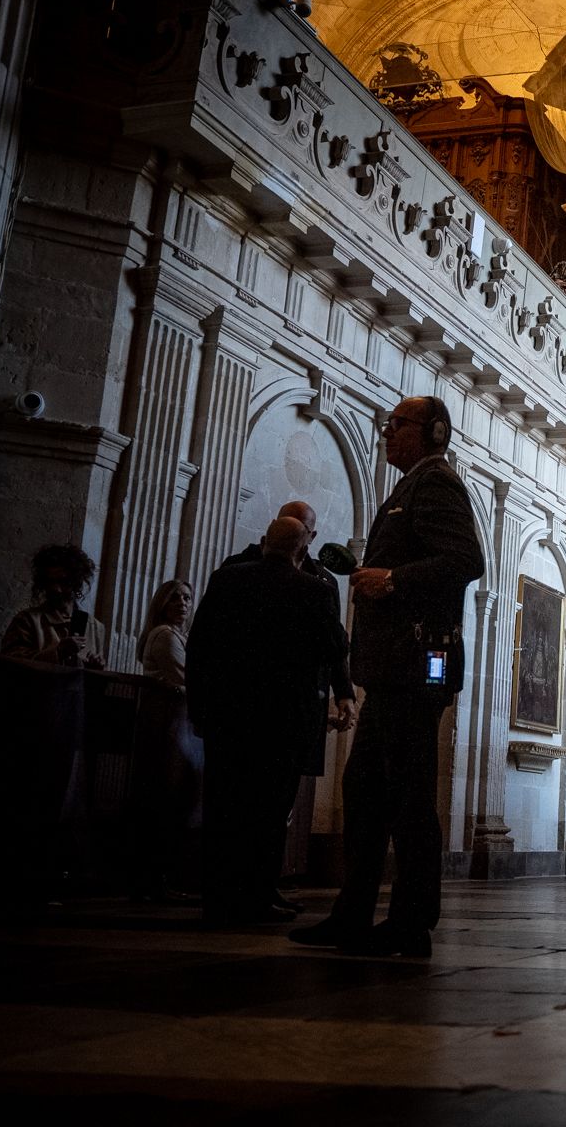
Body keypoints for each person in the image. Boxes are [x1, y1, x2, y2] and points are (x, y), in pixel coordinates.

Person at [290, 394, 484, 959]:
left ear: (434, 432)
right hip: (394, 668)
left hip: (414, 665)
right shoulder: (412, 485)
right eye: (387, 424)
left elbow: (465, 562)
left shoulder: (437, 483)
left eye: (397, 425)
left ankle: (411, 922)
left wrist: (393, 579)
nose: (386, 433)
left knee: (406, 795)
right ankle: (355, 914)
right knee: (368, 790)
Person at [187, 518, 347, 925]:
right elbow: (334, 646)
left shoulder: (226, 580)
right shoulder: (314, 589)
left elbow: (199, 646)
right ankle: (257, 895)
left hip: (227, 717)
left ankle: (218, 897)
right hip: (283, 721)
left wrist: (200, 710)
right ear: (301, 550)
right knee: (270, 812)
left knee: (223, 806)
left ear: (263, 543)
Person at [223, 500, 358, 735]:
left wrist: (344, 692)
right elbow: (208, 638)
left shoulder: (322, 583)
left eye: (301, 527)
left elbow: (334, 648)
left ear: (311, 537)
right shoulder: (234, 570)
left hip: (292, 707)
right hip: (238, 697)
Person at [128, 579, 202, 902]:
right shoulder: (164, 636)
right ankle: (154, 880)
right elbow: (185, 679)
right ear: (162, 603)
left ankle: (164, 877)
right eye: (175, 599)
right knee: (165, 798)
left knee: (175, 800)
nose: (183, 604)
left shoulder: (179, 637)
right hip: (168, 727)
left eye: (187, 598)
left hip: (177, 725)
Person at [0, 543, 106, 668]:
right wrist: (57, 653)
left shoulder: (95, 628)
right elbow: (9, 666)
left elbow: (95, 682)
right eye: (50, 582)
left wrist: (97, 668)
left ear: (76, 582)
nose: (56, 589)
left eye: (63, 581)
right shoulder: (26, 621)